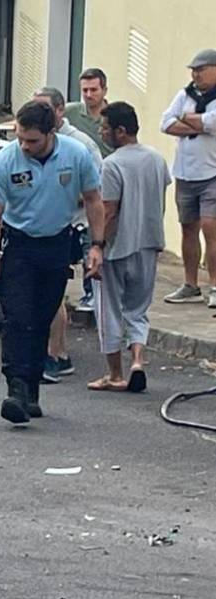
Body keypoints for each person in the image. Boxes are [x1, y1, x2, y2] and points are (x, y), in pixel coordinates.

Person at [0, 100, 104, 425]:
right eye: (20, 138)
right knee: (17, 318)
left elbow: (93, 200)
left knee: (42, 317)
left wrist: (97, 246)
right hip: (19, 245)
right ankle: (16, 389)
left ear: (51, 133)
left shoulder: (75, 155)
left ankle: (31, 387)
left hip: (56, 244)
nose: (25, 145)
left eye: (32, 140)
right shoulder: (7, 159)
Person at [89, 102, 171, 393]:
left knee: (108, 309)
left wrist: (97, 245)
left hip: (117, 248)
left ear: (120, 132)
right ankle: (138, 360)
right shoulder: (157, 159)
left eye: (105, 127)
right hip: (149, 244)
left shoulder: (112, 164)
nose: (101, 132)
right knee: (138, 309)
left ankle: (114, 374)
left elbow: (109, 210)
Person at [32, 87, 103, 383]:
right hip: (38, 229)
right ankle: (54, 353)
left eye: (45, 109)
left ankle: (56, 353)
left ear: (61, 111)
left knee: (53, 293)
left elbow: (93, 193)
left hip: (69, 228)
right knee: (47, 293)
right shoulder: (32, 142)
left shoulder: (79, 146)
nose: (40, 116)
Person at [160, 49, 216, 306]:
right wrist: (198, 123)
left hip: (212, 173)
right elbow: (167, 123)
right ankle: (190, 284)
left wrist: (190, 120)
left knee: (210, 228)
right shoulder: (185, 94)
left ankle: (214, 285)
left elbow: (213, 122)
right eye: (193, 70)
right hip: (185, 174)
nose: (195, 75)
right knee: (188, 229)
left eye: (201, 69)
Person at [68, 68, 114, 157]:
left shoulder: (116, 115)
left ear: (104, 90)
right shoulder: (70, 111)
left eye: (93, 90)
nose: (88, 95)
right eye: (85, 90)